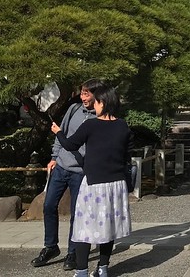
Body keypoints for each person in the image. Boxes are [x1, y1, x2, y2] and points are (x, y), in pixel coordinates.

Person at [50, 83, 132, 277]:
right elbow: (127, 154)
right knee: (108, 227)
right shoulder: (123, 125)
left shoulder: (91, 124)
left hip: (95, 183)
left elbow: (70, 144)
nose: (92, 106)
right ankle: (103, 268)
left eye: (95, 102)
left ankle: (82, 271)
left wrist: (57, 132)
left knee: (84, 228)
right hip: (117, 184)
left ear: (102, 103)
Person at [31, 79, 103, 271]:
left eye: (87, 94)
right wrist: (54, 157)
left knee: (76, 215)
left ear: (97, 95)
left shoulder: (101, 117)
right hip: (61, 166)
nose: (83, 97)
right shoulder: (73, 109)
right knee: (48, 206)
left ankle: (73, 252)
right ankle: (50, 246)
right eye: (82, 93)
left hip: (81, 173)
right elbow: (61, 134)